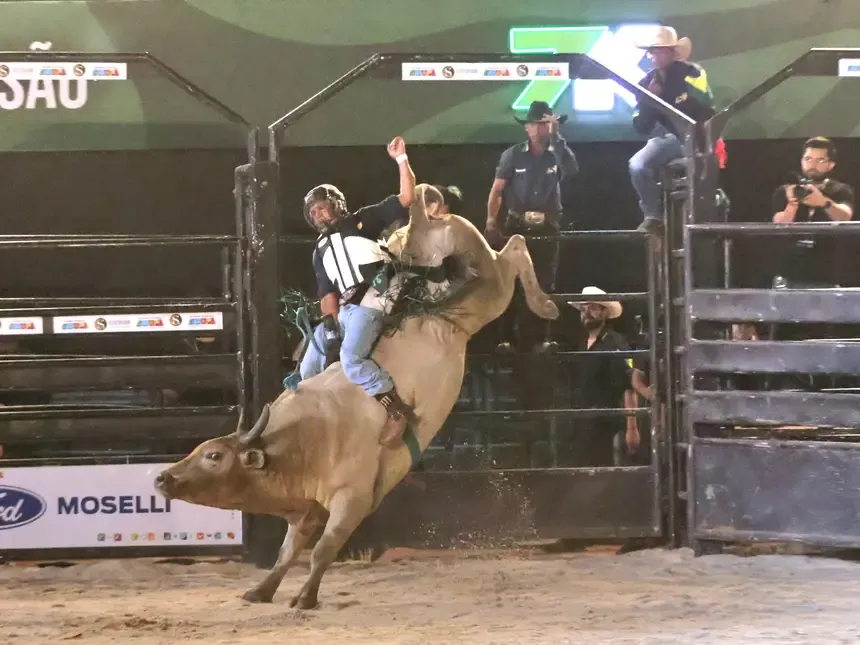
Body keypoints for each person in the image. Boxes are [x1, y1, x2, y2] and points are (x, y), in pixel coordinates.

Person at [294, 136, 416, 441]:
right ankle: (306, 417)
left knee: (351, 361)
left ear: (336, 204)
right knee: (309, 361)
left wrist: (401, 160)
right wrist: (331, 328)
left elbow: (406, 197)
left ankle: (396, 410)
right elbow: (327, 294)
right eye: (314, 213)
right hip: (348, 308)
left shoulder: (363, 220)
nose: (319, 215)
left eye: (322, 208)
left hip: (376, 297)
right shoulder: (319, 249)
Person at [485, 100, 578, 352]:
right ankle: (506, 338)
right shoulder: (513, 154)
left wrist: (558, 138)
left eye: (545, 124)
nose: (539, 129)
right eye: (535, 124)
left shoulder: (557, 153)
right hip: (517, 224)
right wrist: (492, 220)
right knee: (511, 278)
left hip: (547, 224)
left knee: (545, 281)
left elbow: (571, 169)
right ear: (527, 127)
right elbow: (498, 190)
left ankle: (542, 338)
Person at [629, 26, 716, 235]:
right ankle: (653, 216)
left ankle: (704, 214)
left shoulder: (693, 72)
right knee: (637, 165)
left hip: (696, 137)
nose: (653, 56)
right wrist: (650, 99)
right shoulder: (645, 84)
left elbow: (706, 107)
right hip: (668, 139)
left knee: (701, 170)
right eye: (652, 51)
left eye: (658, 50)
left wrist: (678, 101)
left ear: (672, 52)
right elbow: (641, 125)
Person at [566, 287, 639, 467]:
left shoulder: (615, 342)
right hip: (582, 425)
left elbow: (629, 386)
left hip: (607, 425)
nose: (586, 313)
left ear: (605, 312)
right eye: (583, 309)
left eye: (592, 308)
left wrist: (632, 428)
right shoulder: (581, 345)